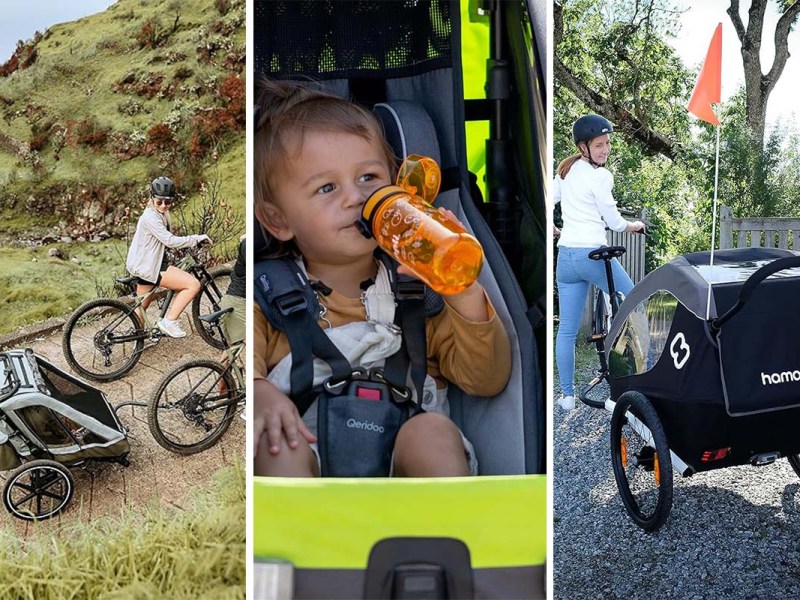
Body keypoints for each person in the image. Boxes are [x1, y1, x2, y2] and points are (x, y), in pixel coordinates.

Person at [252, 78, 511, 477]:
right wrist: (258, 392)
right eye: (326, 187)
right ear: (277, 219)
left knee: (433, 432)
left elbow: (486, 381)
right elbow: (239, 362)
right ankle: (292, 539)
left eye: (369, 178)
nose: (355, 197)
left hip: (404, 466)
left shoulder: (419, 292)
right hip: (309, 458)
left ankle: (442, 533)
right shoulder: (269, 296)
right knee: (276, 446)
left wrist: (461, 291)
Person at [554, 114, 645, 411]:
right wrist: (634, 226)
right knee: (633, 299)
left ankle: (566, 396)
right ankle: (638, 370)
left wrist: (555, 229)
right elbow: (614, 222)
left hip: (566, 256)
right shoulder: (601, 177)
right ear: (584, 147)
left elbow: (546, 199)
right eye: (599, 145)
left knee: (566, 330)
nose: (605, 149)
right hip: (591, 254)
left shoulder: (566, 171)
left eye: (607, 143)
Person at [125, 176, 211, 338]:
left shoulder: (158, 213)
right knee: (192, 285)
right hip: (150, 267)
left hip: (144, 265)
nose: (164, 206)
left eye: (168, 202)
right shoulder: (150, 217)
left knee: (142, 307)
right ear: (152, 198)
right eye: (159, 202)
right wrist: (196, 239)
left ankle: (138, 338)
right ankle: (169, 322)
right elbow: (169, 240)